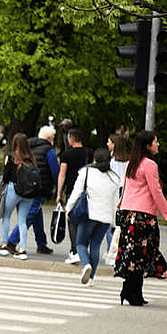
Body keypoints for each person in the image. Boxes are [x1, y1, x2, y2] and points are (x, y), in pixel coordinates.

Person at [114, 131, 167, 306]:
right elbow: (156, 191)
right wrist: (166, 213)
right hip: (143, 216)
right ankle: (131, 292)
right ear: (147, 146)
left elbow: (126, 187)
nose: (158, 144)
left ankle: (133, 291)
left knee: (133, 255)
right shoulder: (150, 165)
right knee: (142, 254)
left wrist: (121, 205)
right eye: (155, 142)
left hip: (129, 214)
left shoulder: (133, 163)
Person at [65, 149, 120, 285]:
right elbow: (115, 203)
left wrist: (68, 209)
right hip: (105, 218)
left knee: (81, 243)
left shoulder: (86, 172)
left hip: (89, 214)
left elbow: (76, 192)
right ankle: (91, 278)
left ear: (94, 159)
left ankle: (86, 265)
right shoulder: (114, 178)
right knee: (95, 246)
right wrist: (113, 223)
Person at [6, 125, 60, 254]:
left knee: (36, 214)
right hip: (39, 186)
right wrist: (59, 187)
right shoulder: (49, 150)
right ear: (49, 138)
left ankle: (41, 243)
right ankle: (12, 241)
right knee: (30, 214)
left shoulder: (27, 145)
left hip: (23, 185)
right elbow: (54, 170)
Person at [0, 133, 37, 260]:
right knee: (22, 221)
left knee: (7, 216)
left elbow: (6, 176)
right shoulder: (31, 158)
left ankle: (4, 245)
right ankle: (23, 248)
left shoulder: (11, 157)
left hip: (13, 189)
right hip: (29, 193)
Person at [57, 128, 94, 264]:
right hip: (89, 191)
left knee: (72, 220)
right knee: (85, 220)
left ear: (71, 139)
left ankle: (74, 250)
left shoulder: (67, 154)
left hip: (72, 190)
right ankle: (83, 248)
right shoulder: (90, 153)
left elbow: (62, 174)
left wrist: (59, 192)